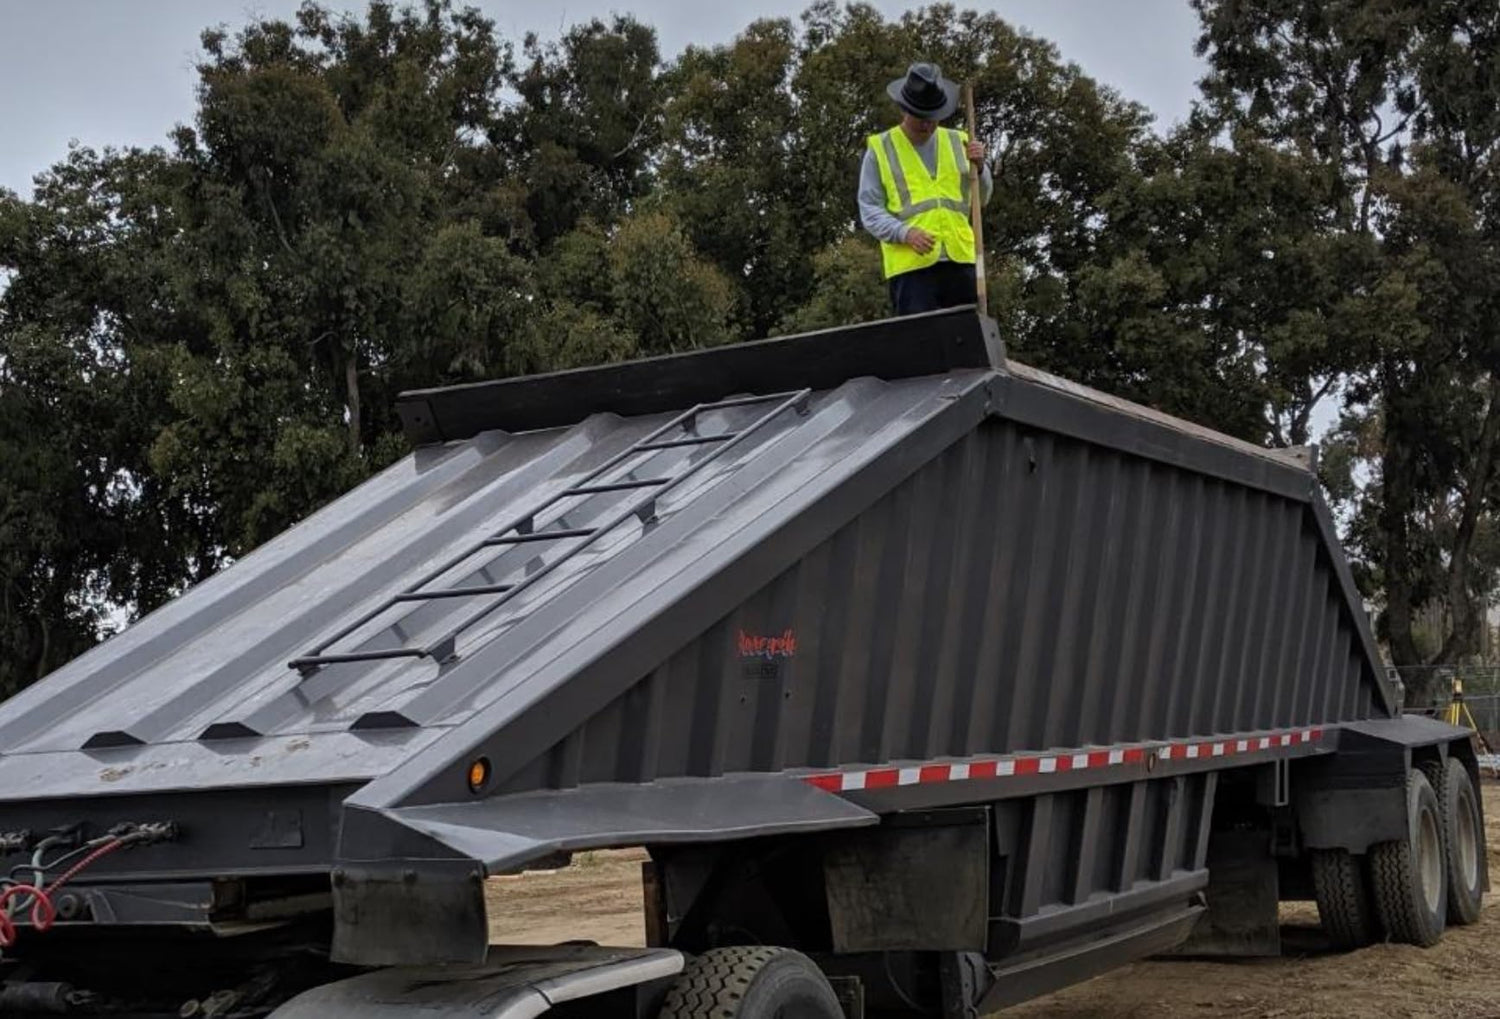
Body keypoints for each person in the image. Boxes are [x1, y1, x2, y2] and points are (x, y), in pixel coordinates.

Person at [858, 62, 992, 316]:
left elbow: (982, 199)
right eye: (920, 117)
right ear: (904, 109)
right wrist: (904, 233)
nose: (927, 125)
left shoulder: (961, 142)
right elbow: (869, 209)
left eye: (933, 117)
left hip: (961, 262)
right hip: (912, 271)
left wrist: (982, 168)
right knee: (921, 340)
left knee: (968, 338)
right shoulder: (881, 149)